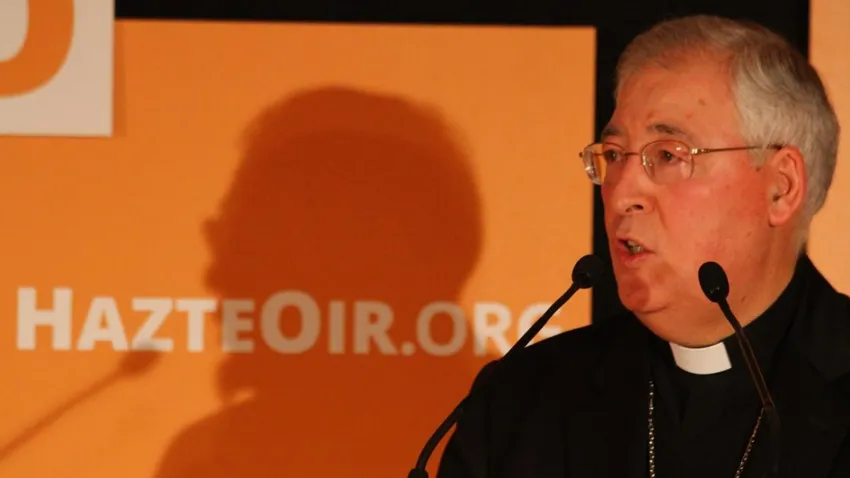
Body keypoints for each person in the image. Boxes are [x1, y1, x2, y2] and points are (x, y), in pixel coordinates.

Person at [436, 14, 850, 478]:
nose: (621, 193)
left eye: (668, 155)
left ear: (781, 188)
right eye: (614, 156)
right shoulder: (519, 401)